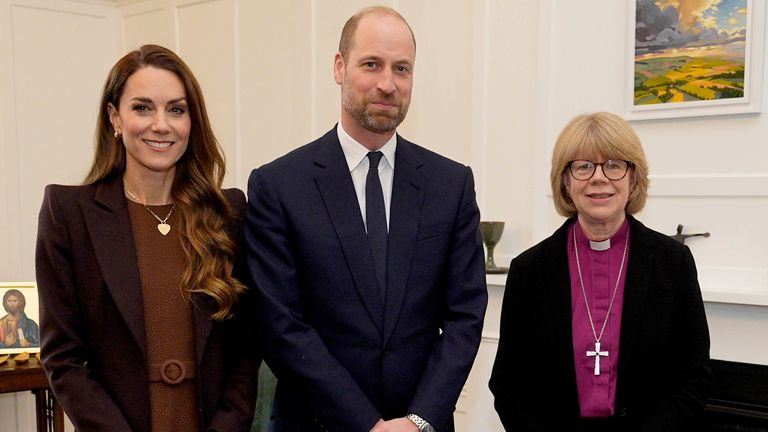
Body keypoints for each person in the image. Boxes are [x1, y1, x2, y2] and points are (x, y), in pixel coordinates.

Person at [241, 6, 487, 432]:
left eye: (402, 68)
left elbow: (466, 316)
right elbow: (281, 324)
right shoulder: (278, 186)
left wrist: (418, 420)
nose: (387, 84)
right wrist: (367, 424)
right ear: (339, 67)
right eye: (371, 64)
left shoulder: (452, 185)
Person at [35, 44, 256, 432]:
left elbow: (245, 346)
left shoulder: (228, 213)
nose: (161, 124)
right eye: (142, 107)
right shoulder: (68, 213)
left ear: (192, 121)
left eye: (176, 109)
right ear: (114, 118)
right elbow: (63, 358)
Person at [489, 112, 711, 431]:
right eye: (583, 166)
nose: (599, 178)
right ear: (565, 180)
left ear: (633, 177)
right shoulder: (530, 270)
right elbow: (509, 383)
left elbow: (693, 377)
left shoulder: (673, 262)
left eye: (614, 164)